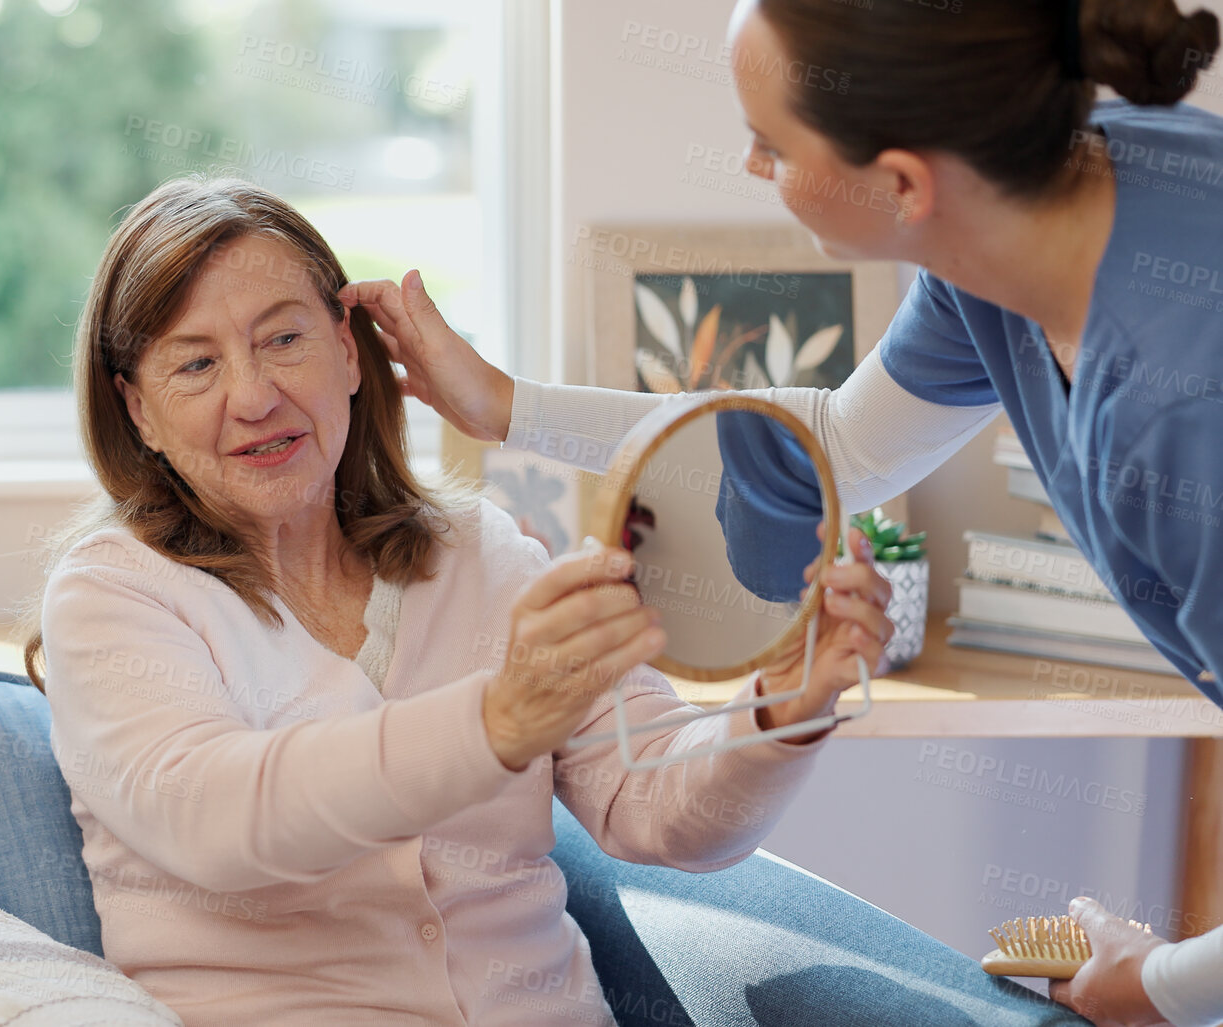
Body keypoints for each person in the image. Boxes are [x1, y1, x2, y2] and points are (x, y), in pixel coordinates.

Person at [340, 1, 1223, 1023]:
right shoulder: (1015, 224)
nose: (753, 166)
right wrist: (506, 406)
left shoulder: (1174, 415)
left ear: (900, 182)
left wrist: (1155, 989)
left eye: (769, 143)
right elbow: (830, 446)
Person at [14, 175, 891, 1025]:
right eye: (195, 364)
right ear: (136, 411)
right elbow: (215, 818)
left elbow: (654, 807)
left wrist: (780, 709)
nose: (252, 396)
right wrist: (500, 718)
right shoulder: (112, 594)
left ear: (351, 352)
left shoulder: (483, 555)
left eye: (283, 340)